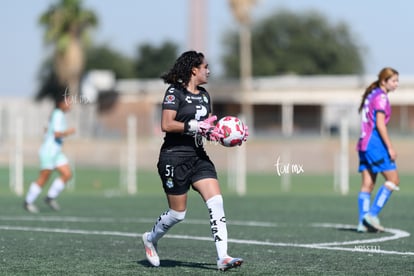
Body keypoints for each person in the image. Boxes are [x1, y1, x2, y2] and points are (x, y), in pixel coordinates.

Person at [141, 50, 247, 271]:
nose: (209, 70)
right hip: (174, 158)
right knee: (177, 214)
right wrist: (196, 126)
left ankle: (223, 257)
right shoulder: (174, 93)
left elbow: (204, 129)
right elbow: (167, 125)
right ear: (194, 70)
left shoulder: (205, 95)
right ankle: (151, 239)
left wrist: (221, 134)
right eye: (205, 67)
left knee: (216, 202)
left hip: (199, 157)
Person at [356, 67, 400, 233]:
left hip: (363, 144)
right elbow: (380, 125)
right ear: (384, 81)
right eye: (393, 81)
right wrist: (390, 147)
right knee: (393, 180)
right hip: (375, 145)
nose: (396, 84)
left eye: (397, 81)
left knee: (367, 184)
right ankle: (371, 216)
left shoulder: (371, 95)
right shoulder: (381, 97)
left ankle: (362, 223)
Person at [24, 92, 76, 213]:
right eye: (68, 101)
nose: (70, 104)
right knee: (44, 178)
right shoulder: (58, 114)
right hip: (49, 152)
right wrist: (69, 132)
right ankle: (28, 202)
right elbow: (57, 133)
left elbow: (47, 129)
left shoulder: (58, 114)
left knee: (67, 174)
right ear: (60, 103)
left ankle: (50, 197)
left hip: (56, 152)